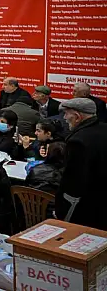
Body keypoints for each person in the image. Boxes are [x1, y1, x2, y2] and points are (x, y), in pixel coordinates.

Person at [55, 98, 107, 229]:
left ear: (77, 117)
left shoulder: (78, 141)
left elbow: (73, 181)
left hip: (86, 206)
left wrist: (62, 209)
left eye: (66, 113)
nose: (64, 118)